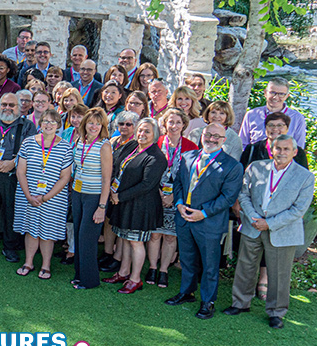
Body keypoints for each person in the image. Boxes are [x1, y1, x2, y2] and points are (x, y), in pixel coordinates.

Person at [225, 135, 314, 328]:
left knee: (280, 273)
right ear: (271, 150)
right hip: (253, 225)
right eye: (278, 148)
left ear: (294, 152)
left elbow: (298, 210)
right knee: (245, 267)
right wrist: (253, 218)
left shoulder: (305, 176)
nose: (281, 152)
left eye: (286, 149)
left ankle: (276, 312)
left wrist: (269, 223)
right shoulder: (255, 167)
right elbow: (243, 194)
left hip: (282, 231)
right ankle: (240, 303)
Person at [166, 122, 244, 318]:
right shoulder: (187, 157)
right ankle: (187, 292)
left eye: (216, 136)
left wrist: (204, 213)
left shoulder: (232, 166)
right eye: (208, 134)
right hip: (184, 217)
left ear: (223, 140)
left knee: (210, 265)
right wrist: (179, 204)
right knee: (187, 259)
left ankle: (208, 301)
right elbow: (178, 183)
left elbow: (228, 197)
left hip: (209, 222)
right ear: (202, 135)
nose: (211, 139)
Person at [104, 117, 166, 294]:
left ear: (155, 135)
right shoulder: (132, 146)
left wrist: (119, 196)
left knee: (135, 242)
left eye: (147, 131)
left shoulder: (156, 157)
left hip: (141, 206)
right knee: (124, 238)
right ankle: (123, 273)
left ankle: (135, 279)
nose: (142, 134)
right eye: (140, 130)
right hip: (124, 202)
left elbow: (147, 185)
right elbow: (117, 165)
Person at [13, 109, 73, 279]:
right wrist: (29, 196)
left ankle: (46, 265)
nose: (48, 125)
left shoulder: (66, 147)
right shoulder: (28, 143)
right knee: (30, 229)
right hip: (28, 195)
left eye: (53, 122)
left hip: (53, 198)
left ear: (58, 125)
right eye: (45, 121)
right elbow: (20, 172)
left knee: (48, 232)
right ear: (40, 124)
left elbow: (65, 177)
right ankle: (28, 262)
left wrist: (45, 197)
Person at [0, 92, 37, 262]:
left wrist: (13, 162)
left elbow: (31, 150)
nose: (7, 108)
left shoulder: (27, 126)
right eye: (4, 104)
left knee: (11, 211)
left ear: (19, 107)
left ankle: (10, 246)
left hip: (14, 176)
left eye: (11, 105)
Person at [147, 109, 199, 288]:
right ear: (164, 124)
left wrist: (173, 196)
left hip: (177, 198)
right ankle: (152, 267)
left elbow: (191, 176)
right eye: (170, 122)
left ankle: (164, 270)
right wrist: (159, 192)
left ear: (184, 125)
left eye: (178, 122)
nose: (174, 126)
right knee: (154, 234)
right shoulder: (156, 142)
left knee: (170, 237)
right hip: (155, 194)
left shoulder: (191, 147)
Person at [67, 108, 114, 290]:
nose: (94, 126)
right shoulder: (80, 141)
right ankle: (79, 275)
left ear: (102, 126)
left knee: (87, 238)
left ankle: (90, 280)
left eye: (97, 124)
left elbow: (106, 179)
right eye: (91, 123)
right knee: (79, 235)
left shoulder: (104, 146)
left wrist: (102, 206)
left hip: (94, 197)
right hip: (78, 193)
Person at [239, 79, 307, 149]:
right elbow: (242, 144)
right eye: (272, 92)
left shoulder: (297, 118)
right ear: (265, 93)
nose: (275, 97)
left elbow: (299, 147)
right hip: (257, 155)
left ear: (287, 96)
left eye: (281, 94)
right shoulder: (252, 115)